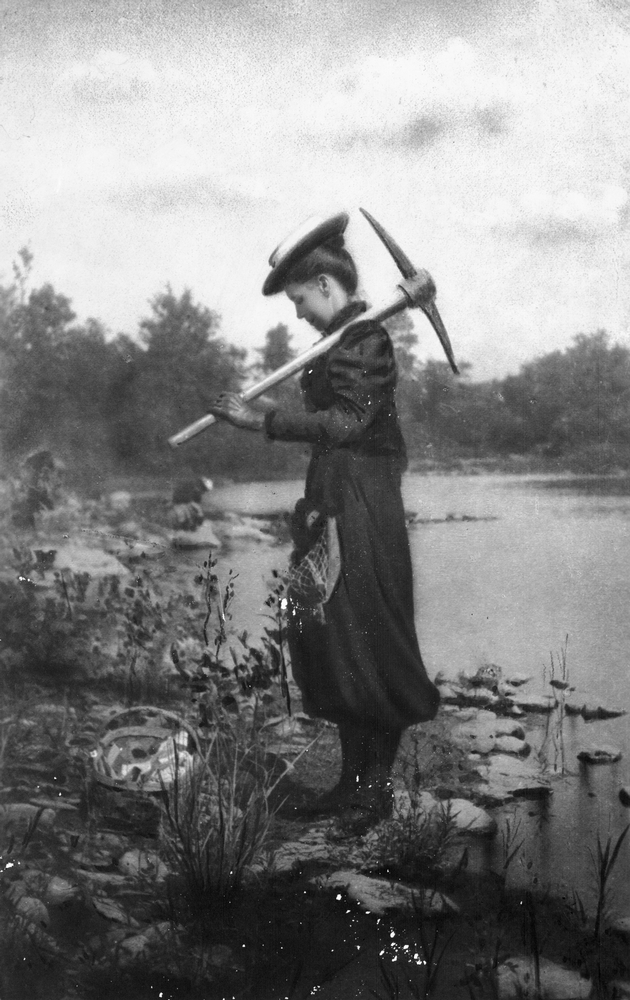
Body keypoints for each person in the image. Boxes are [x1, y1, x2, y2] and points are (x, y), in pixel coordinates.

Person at [211, 212, 440, 833]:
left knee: (371, 639)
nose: (297, 314)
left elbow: (346, 423)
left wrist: (261, 422)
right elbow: (330, 422)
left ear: (323, 285)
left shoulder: (366, 340)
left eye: (299, 301)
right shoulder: (342, 338)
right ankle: (349, 784)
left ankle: (374, 792)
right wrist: (265, 413)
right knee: (333, 637)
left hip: (363, 505)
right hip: (333, 498)